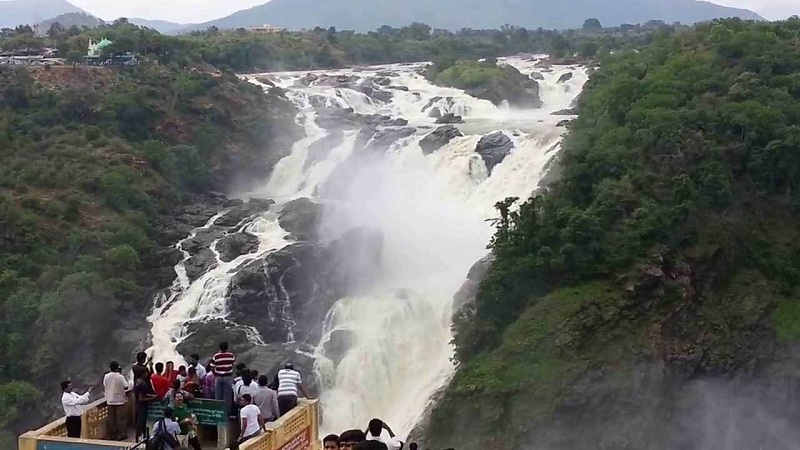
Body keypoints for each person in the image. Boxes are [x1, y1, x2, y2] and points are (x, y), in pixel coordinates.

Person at [103, 360, 129, 441]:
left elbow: (104, 384)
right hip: (119, 400)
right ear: (117, 368)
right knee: (120, 419)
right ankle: (121, 434)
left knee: (111, 419)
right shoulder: (120, 377)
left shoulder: (106, 376)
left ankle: (111, 435)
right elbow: (126, 386)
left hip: (110, 400)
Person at [134, 372, 159, 442]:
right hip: (142, 406)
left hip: (137, 405)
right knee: (141, 423)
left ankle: (139, 437)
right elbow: (141, 398)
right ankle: (141, 438)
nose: (147, 374)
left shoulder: (137, 382)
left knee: (138, 422)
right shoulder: (142, 384)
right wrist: (152, 398)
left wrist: (150, 396)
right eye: (146, 373)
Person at [211, 342, 235, 413]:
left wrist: (215, 374)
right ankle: (226, 413)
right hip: (228, 377)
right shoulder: (231, 355)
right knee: (227, 397)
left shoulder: (216, 356)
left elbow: (212, 367)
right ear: (227, 347)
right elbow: (233, 364)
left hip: (218, 377)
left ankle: (218, 413)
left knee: (218, 396)